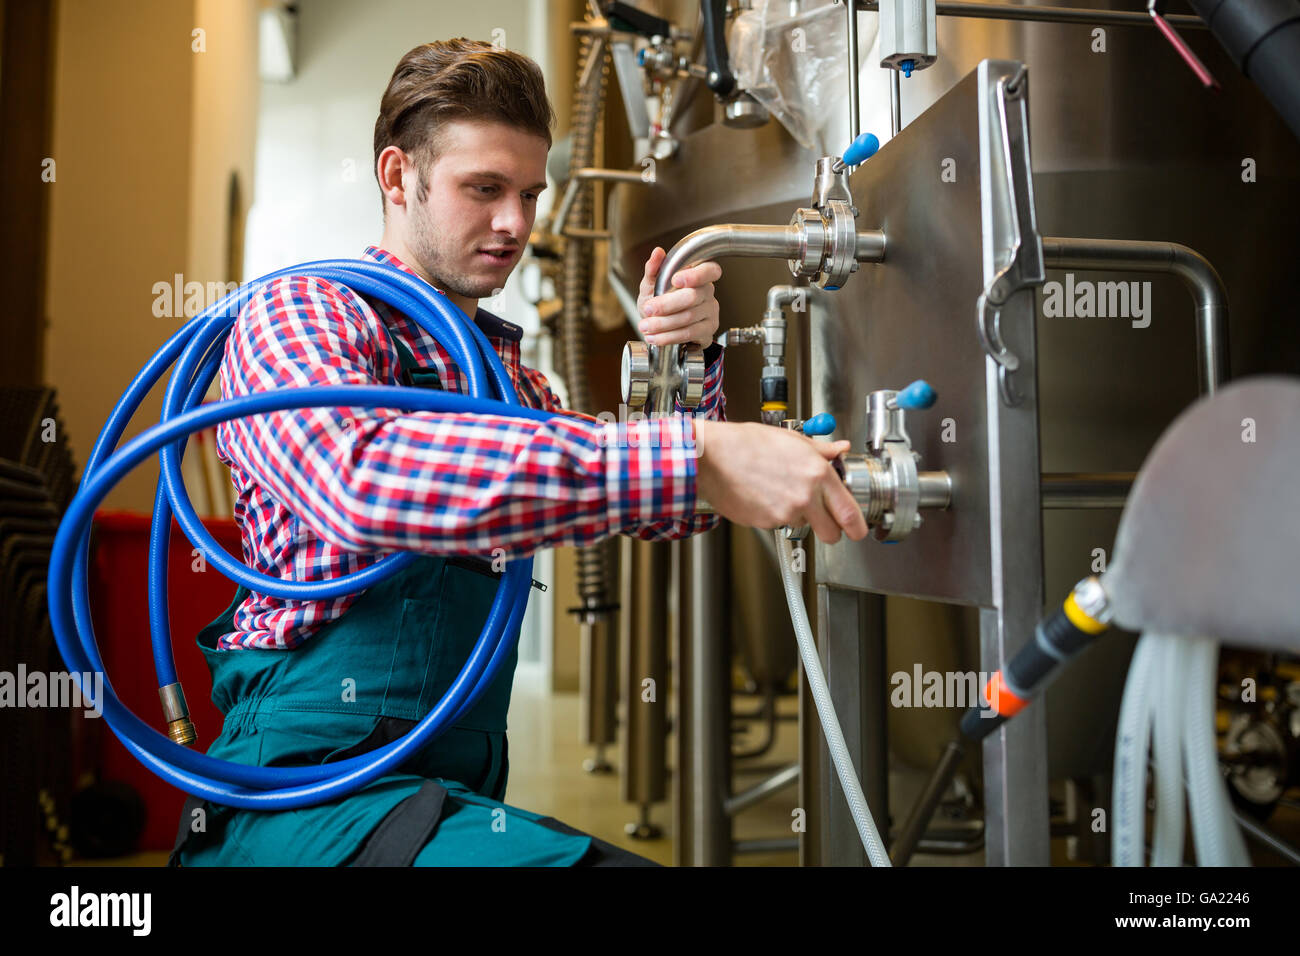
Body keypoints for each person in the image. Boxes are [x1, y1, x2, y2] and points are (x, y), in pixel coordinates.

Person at [171, 38, 867, 868]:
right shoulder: (304, 312)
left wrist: (684, 366)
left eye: (530, 194)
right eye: (484, 189)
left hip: (440, 792)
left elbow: (667, 510)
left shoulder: (512, 385)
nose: (514, 224)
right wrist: (695, 450)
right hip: (310, 794)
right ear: (397, 177)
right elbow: (364, 480)